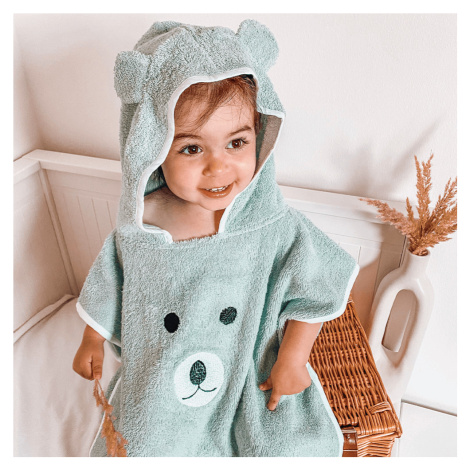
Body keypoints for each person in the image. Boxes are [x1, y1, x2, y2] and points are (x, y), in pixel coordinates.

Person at [72, 19, 360, 457]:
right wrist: (92, 340)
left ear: (259, 136)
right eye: (192, 148)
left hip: (248, 372)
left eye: (236, 143)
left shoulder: (270, 224)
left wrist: (293, 358)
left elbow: (314, 286)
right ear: (153, 149)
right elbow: (115, 283)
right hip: (166, 376)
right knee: (140, 445)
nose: (218, 167)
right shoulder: (143, 226)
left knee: (281, 448)